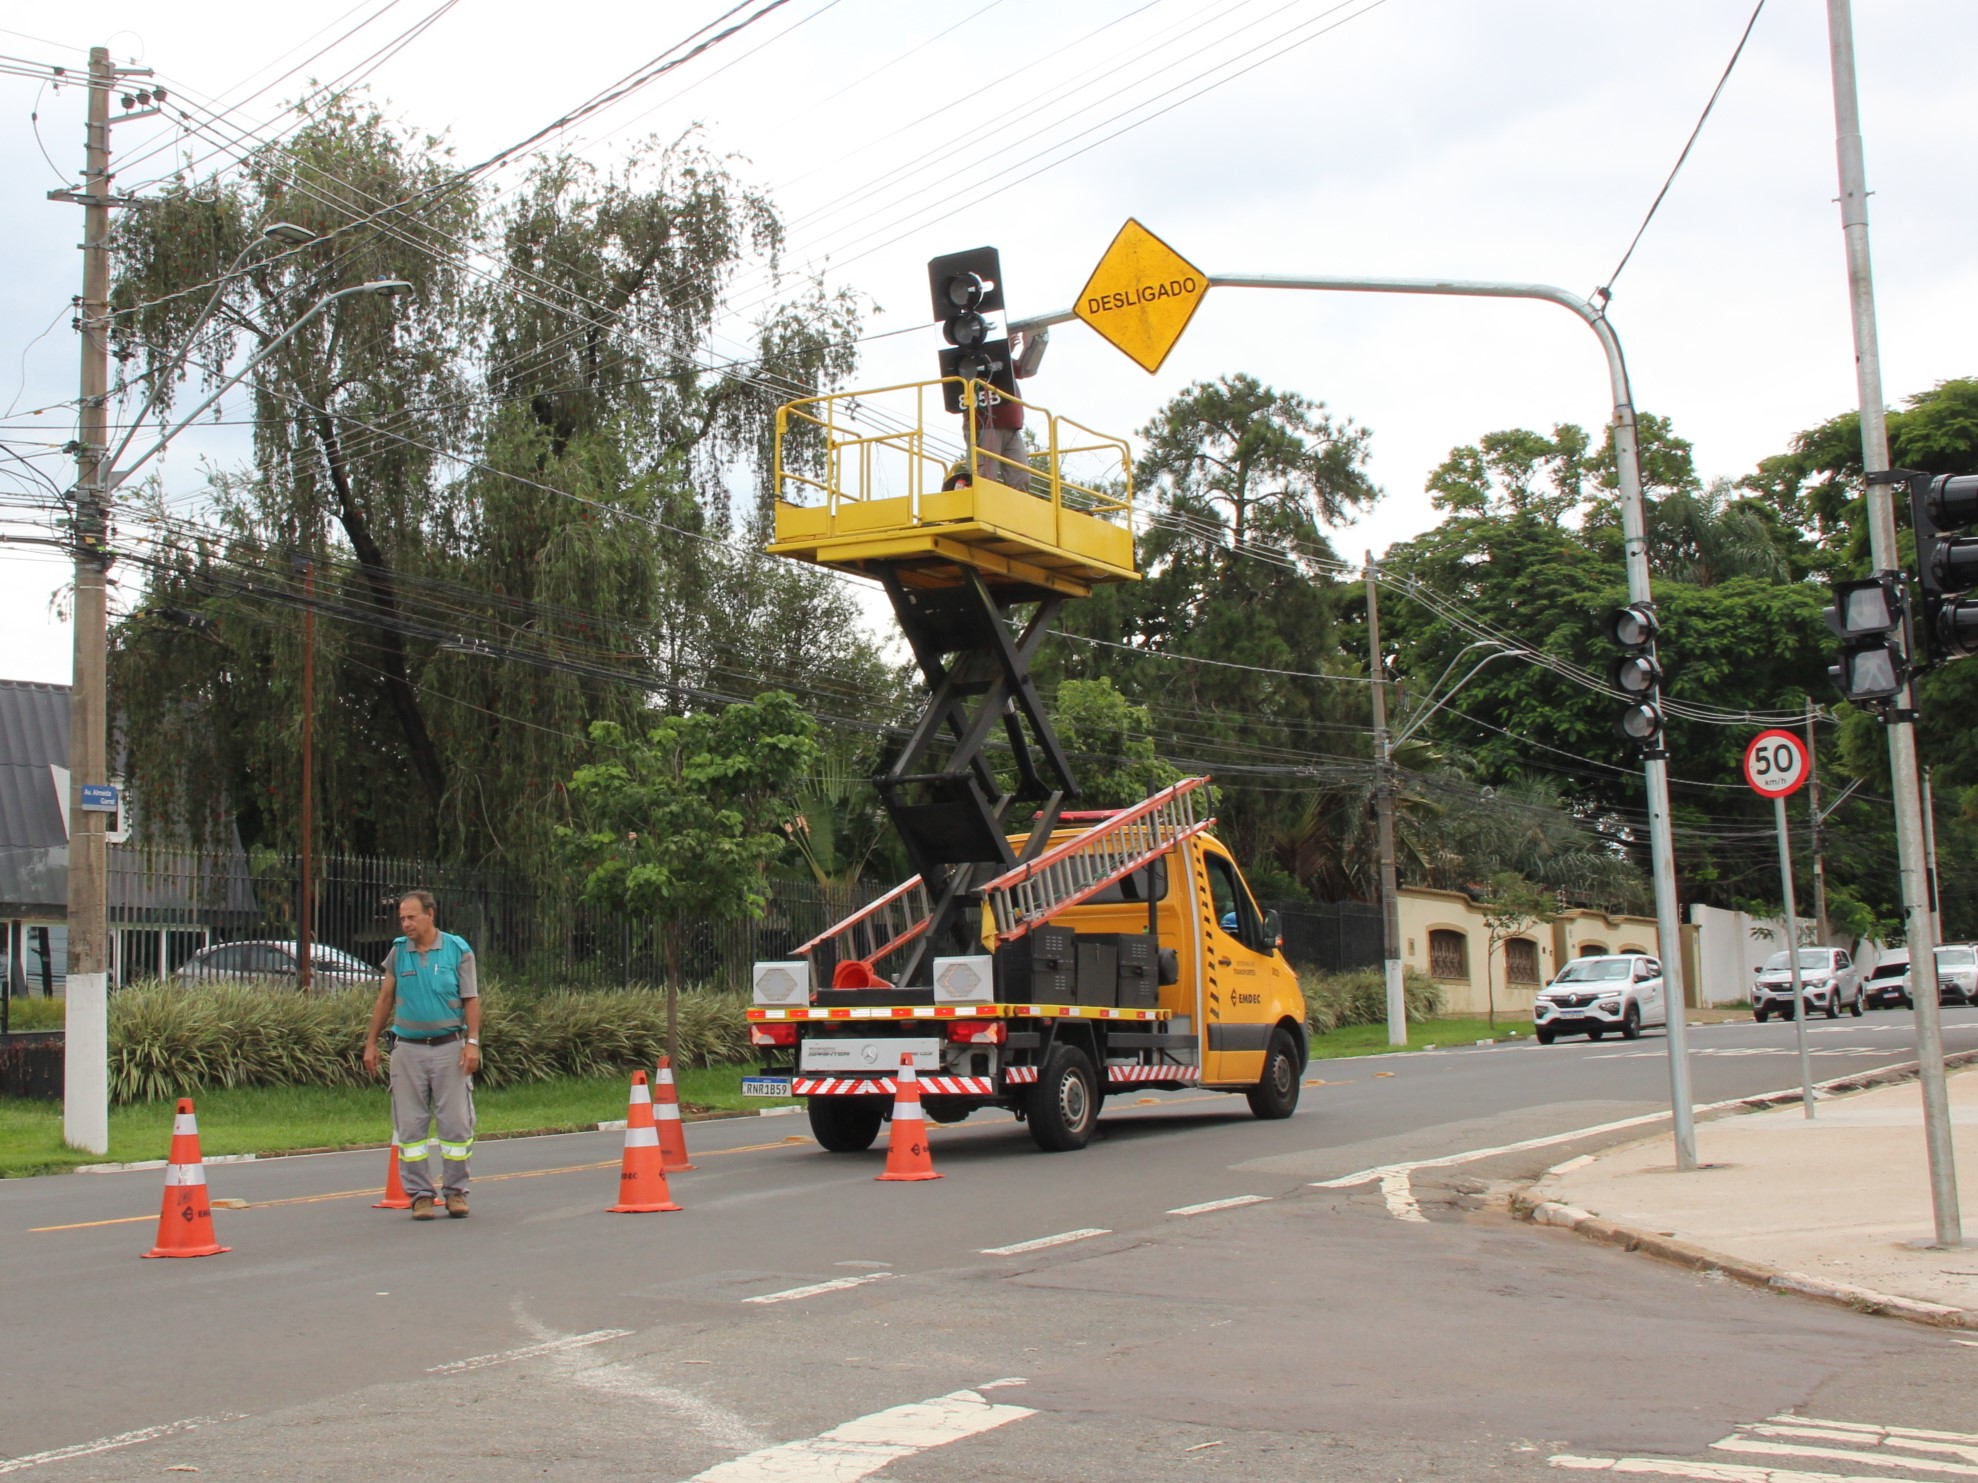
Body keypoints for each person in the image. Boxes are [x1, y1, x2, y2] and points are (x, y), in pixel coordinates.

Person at [362, 891, 481, 1220]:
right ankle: (420, 1196)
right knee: (411, 1127)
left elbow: (471, 999)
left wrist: (472, 1042)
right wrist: (371, 1043)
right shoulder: (399, 952)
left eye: (411, 917)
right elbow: (385, 999)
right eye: (402, 917)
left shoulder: (458, 950)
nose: (405, 923)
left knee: (456, 1125)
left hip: (450, 1048)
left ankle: (456, 1192)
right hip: (408, 1050)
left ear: (431, 914)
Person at [960, 328, 1047, 491]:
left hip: (1011, 427)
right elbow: (980, 373)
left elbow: (1023, 369)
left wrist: (1029, 347)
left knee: (1021, 477)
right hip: (986, 426)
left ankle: (1017, 514)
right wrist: (1002, 352)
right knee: (985, 477)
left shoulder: (1003, 360)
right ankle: (987, 513)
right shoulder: (971, 360)